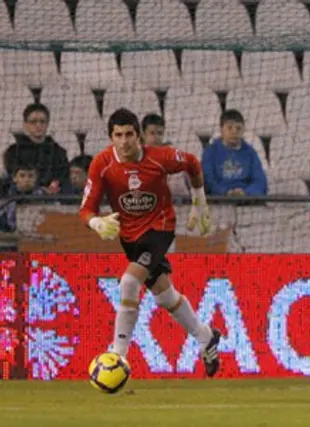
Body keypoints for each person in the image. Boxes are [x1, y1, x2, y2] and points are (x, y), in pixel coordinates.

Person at [78, 108, 221, 377]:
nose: (124, 141)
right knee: (165, 295)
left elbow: (192, 163)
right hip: (130, 237)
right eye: (118, 135)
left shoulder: (160, 157)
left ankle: (117, 356)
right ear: (111, 137)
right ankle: (206, 336)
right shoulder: (102, 164)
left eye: (129, 134)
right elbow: (86, 210)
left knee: (129, 282)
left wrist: (199, 202)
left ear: (139, 135)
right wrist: (96, 223)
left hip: (160, 228)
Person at [3, 103, 70, 194]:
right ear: (25, 125)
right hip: (20, 196)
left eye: (42, 121)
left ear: (47, 124)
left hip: (52, 197)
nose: (38, 125)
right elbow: (13, 176)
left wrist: (55, 184)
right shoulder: (13, 151)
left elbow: (63, 175)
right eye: (33, 122)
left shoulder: (58, 151)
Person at [202, 110, 268, 197]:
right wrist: (226, 192)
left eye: (238, 128)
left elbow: (260, 181)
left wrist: (246, 193)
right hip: (219, 199)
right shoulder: (211, 151)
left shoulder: (250, 152)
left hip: (246, 199)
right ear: (221, 129)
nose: (234, 132)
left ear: (244, 130)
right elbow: (208, 180)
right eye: (229, 128)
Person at [140, 113, 191, 200]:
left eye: (159, 133)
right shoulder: (137, 157)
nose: (156, 137)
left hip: (179, 202)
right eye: (152, 133)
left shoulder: (172, 154)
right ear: (144, 135)